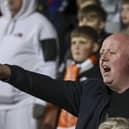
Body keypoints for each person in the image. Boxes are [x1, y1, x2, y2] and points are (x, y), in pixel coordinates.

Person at [0, 33, 129, 129]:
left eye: (112, 52)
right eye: (101, 53)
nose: (103, 58)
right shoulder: (90, 92)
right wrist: (7, 72)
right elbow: (46, 86)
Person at [0, 0, 58, 129]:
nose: (10, 1)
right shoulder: (0, 23)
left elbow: (50, 64)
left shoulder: (42, 25)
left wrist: (41, 101)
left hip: (24, 106)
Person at [57, 26, 101, 129]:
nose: (77, 47)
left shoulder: (98, 73)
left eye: (82, 42)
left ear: (94, 47)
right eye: (73, 43)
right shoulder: (67, 70)